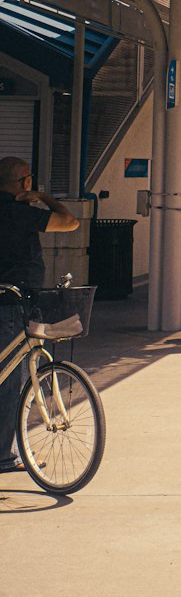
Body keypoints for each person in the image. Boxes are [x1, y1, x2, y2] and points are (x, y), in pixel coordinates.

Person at [0, 157, 79, 473]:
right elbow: (69, 221)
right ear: (24, 182)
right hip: (13, 302)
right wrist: (44, 198)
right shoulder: (19, 213)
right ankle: (5, 456)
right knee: (12, 382)